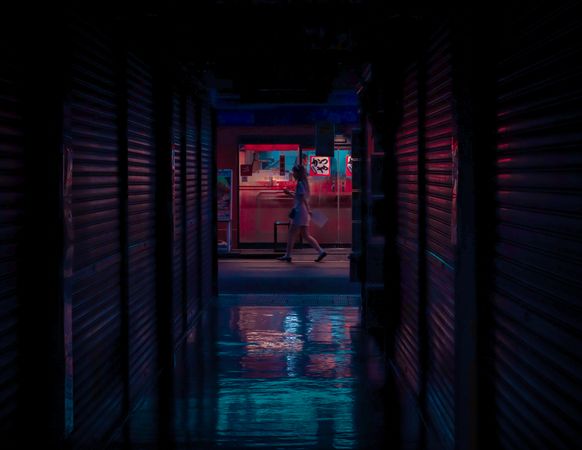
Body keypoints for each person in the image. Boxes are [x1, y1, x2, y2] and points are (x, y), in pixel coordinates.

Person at [277, 165, 327, 262]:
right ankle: (321, 251)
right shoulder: (305, 183)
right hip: (303, 212)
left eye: (294, 172)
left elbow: (302, 198)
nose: (293, 174)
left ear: (298, 173)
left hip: (300, 211)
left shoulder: (300, 183)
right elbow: (300, 197)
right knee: (305, 235)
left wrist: (308, 209)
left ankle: (288, 255)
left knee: (292, 233)